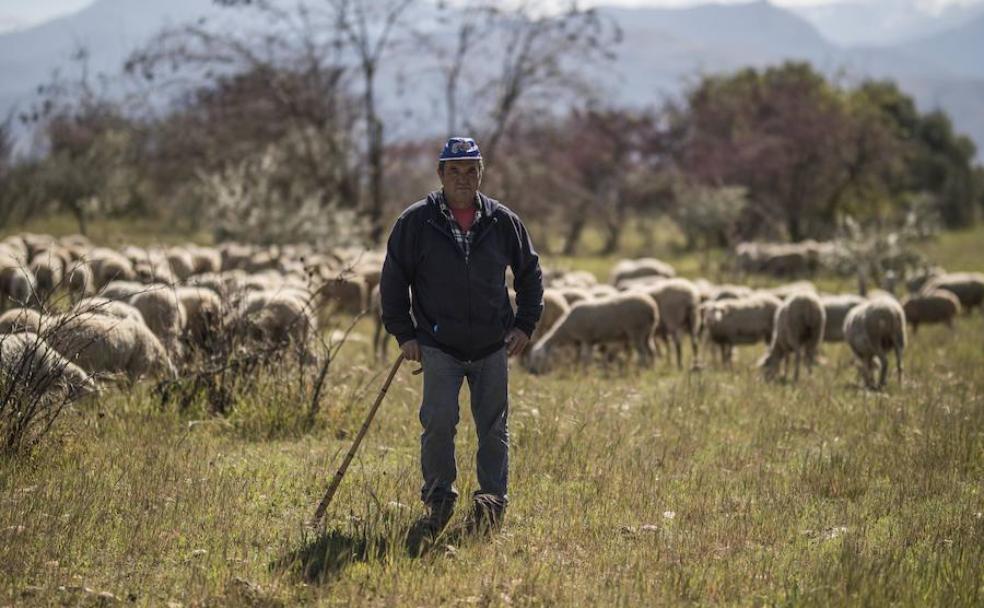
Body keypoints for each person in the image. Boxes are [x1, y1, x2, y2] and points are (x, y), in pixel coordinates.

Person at [380, 137, 544, 535]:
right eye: (454, 170)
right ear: (440, 174)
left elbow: (530, 275)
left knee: (493, 427)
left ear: (481, 173)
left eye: (471, 170)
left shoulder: (502, 221)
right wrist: (405, 334)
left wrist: (524, 324)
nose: (463, 178)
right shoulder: (416, 222)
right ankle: (439, 500)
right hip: (439, 344)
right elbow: (393, 280)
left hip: (491, 344)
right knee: (438, 422)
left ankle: (491, 503)